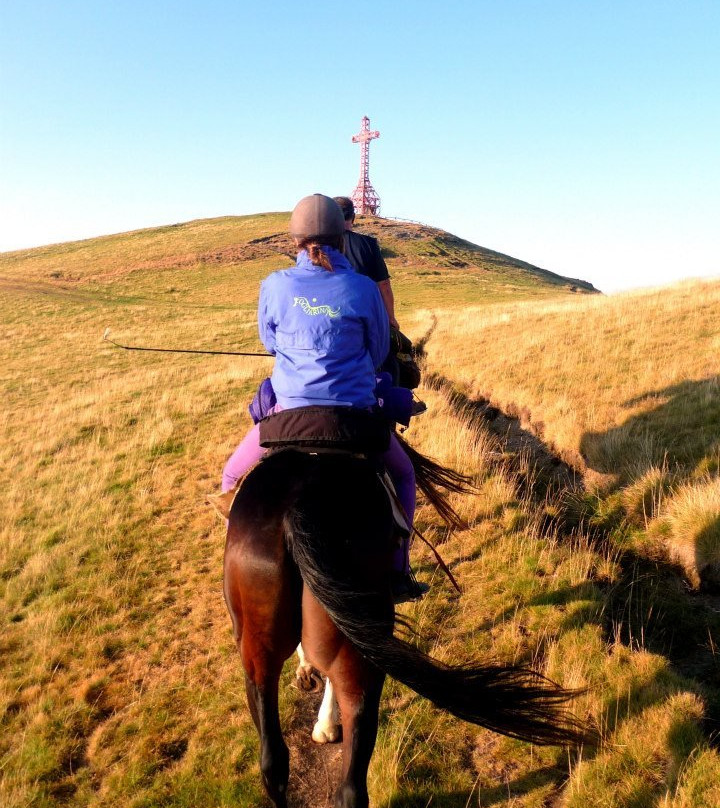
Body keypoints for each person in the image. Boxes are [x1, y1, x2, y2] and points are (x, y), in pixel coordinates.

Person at [221, 194, 427, 601]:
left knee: (230, 477)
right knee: (403, 475)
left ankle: (234, 579)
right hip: (354, 418)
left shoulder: (274, 285)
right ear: (342, 236)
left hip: (288, 415)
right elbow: (376, 350)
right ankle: (400, 571)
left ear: (294, 240)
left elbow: (270, 343)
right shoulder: (364, 287)